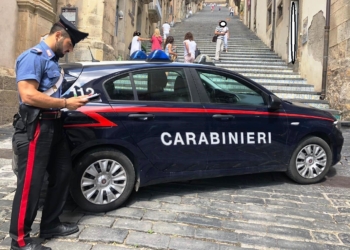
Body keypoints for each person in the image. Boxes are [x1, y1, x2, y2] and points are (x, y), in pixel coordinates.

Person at [10, 14, 89, 250]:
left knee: (63, 173)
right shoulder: (32, 58)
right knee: (31, 184)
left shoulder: (51, 60)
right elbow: (28, 95)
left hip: (54, 126)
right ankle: (20, 241)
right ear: (58, 35)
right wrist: (66, 104)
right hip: (36, 128)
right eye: (70, 44)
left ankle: (50, 224)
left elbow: (49, 94)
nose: (70, 50)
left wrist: (69, 102)